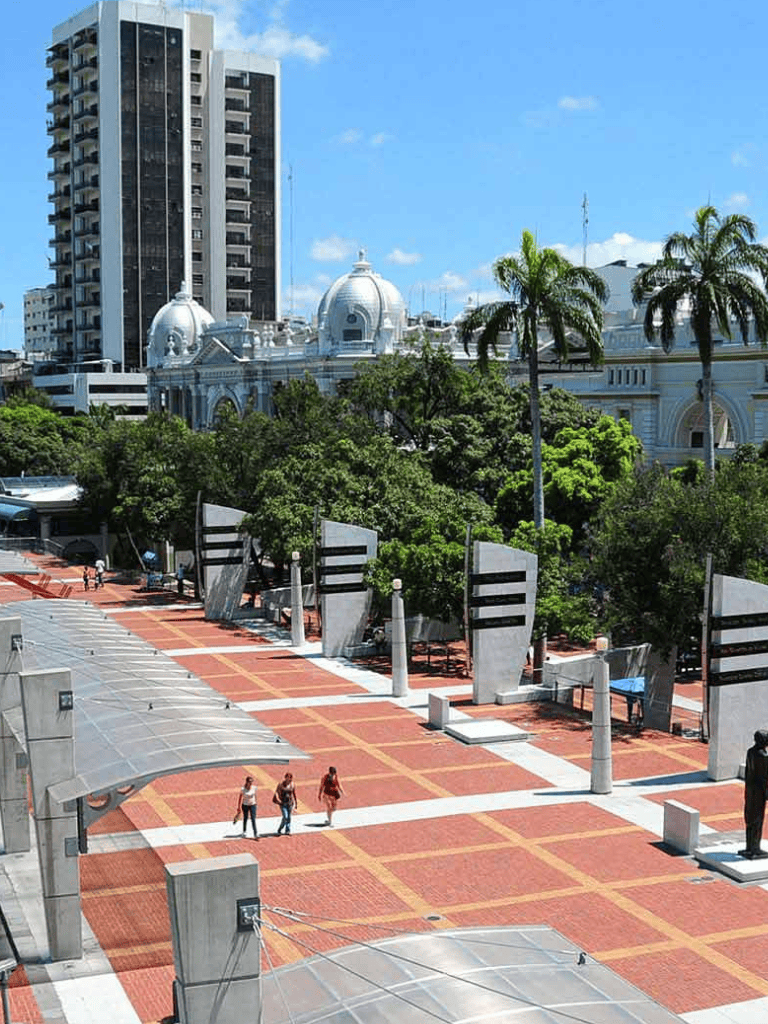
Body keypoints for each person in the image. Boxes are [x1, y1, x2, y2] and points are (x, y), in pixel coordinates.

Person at [740, 730, 768, 859]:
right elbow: (765, 777)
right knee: (757, 820)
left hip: (750, 790)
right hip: (759, 792)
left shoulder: (750, 751)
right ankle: (755, 849)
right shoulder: (763, 756)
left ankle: (749, 847)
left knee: (750, 819)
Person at [235, 775, 258, 839]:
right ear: (247, 782)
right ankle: (244, 831)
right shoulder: (243, 789)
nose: (251, 783)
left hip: (253, 805)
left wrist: (256, 803)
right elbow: (240, 798)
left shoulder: (254, 788)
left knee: (253, 819)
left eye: (251, 782)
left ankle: (255, 833)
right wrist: (238, 807)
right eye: (249, 782)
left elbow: (255, 796)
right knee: (245, 818)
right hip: (245, 805)